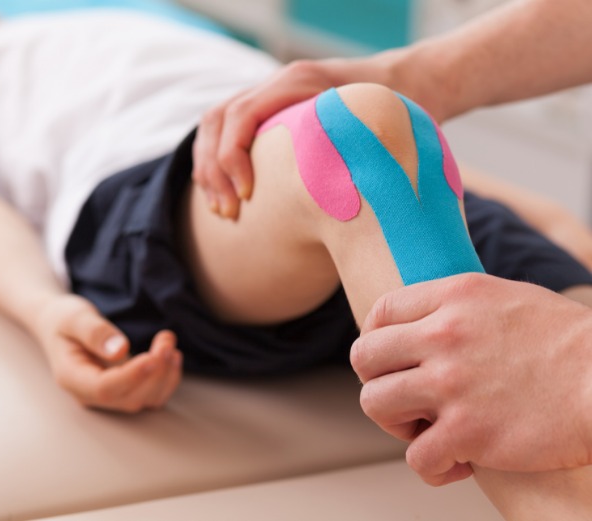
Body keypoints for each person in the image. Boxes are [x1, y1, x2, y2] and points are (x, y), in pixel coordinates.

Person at [0, 8, 592, 520]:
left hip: (362, 168)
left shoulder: (176, 24)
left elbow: (398, 145)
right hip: (200, 192)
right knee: (346, 131)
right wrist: (46, 310)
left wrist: (539, 221)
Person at [192, 0, 592, 486]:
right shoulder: (84, 32)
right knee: (359, 128)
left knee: (363, 131)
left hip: (347, 157)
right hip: (222, 170)